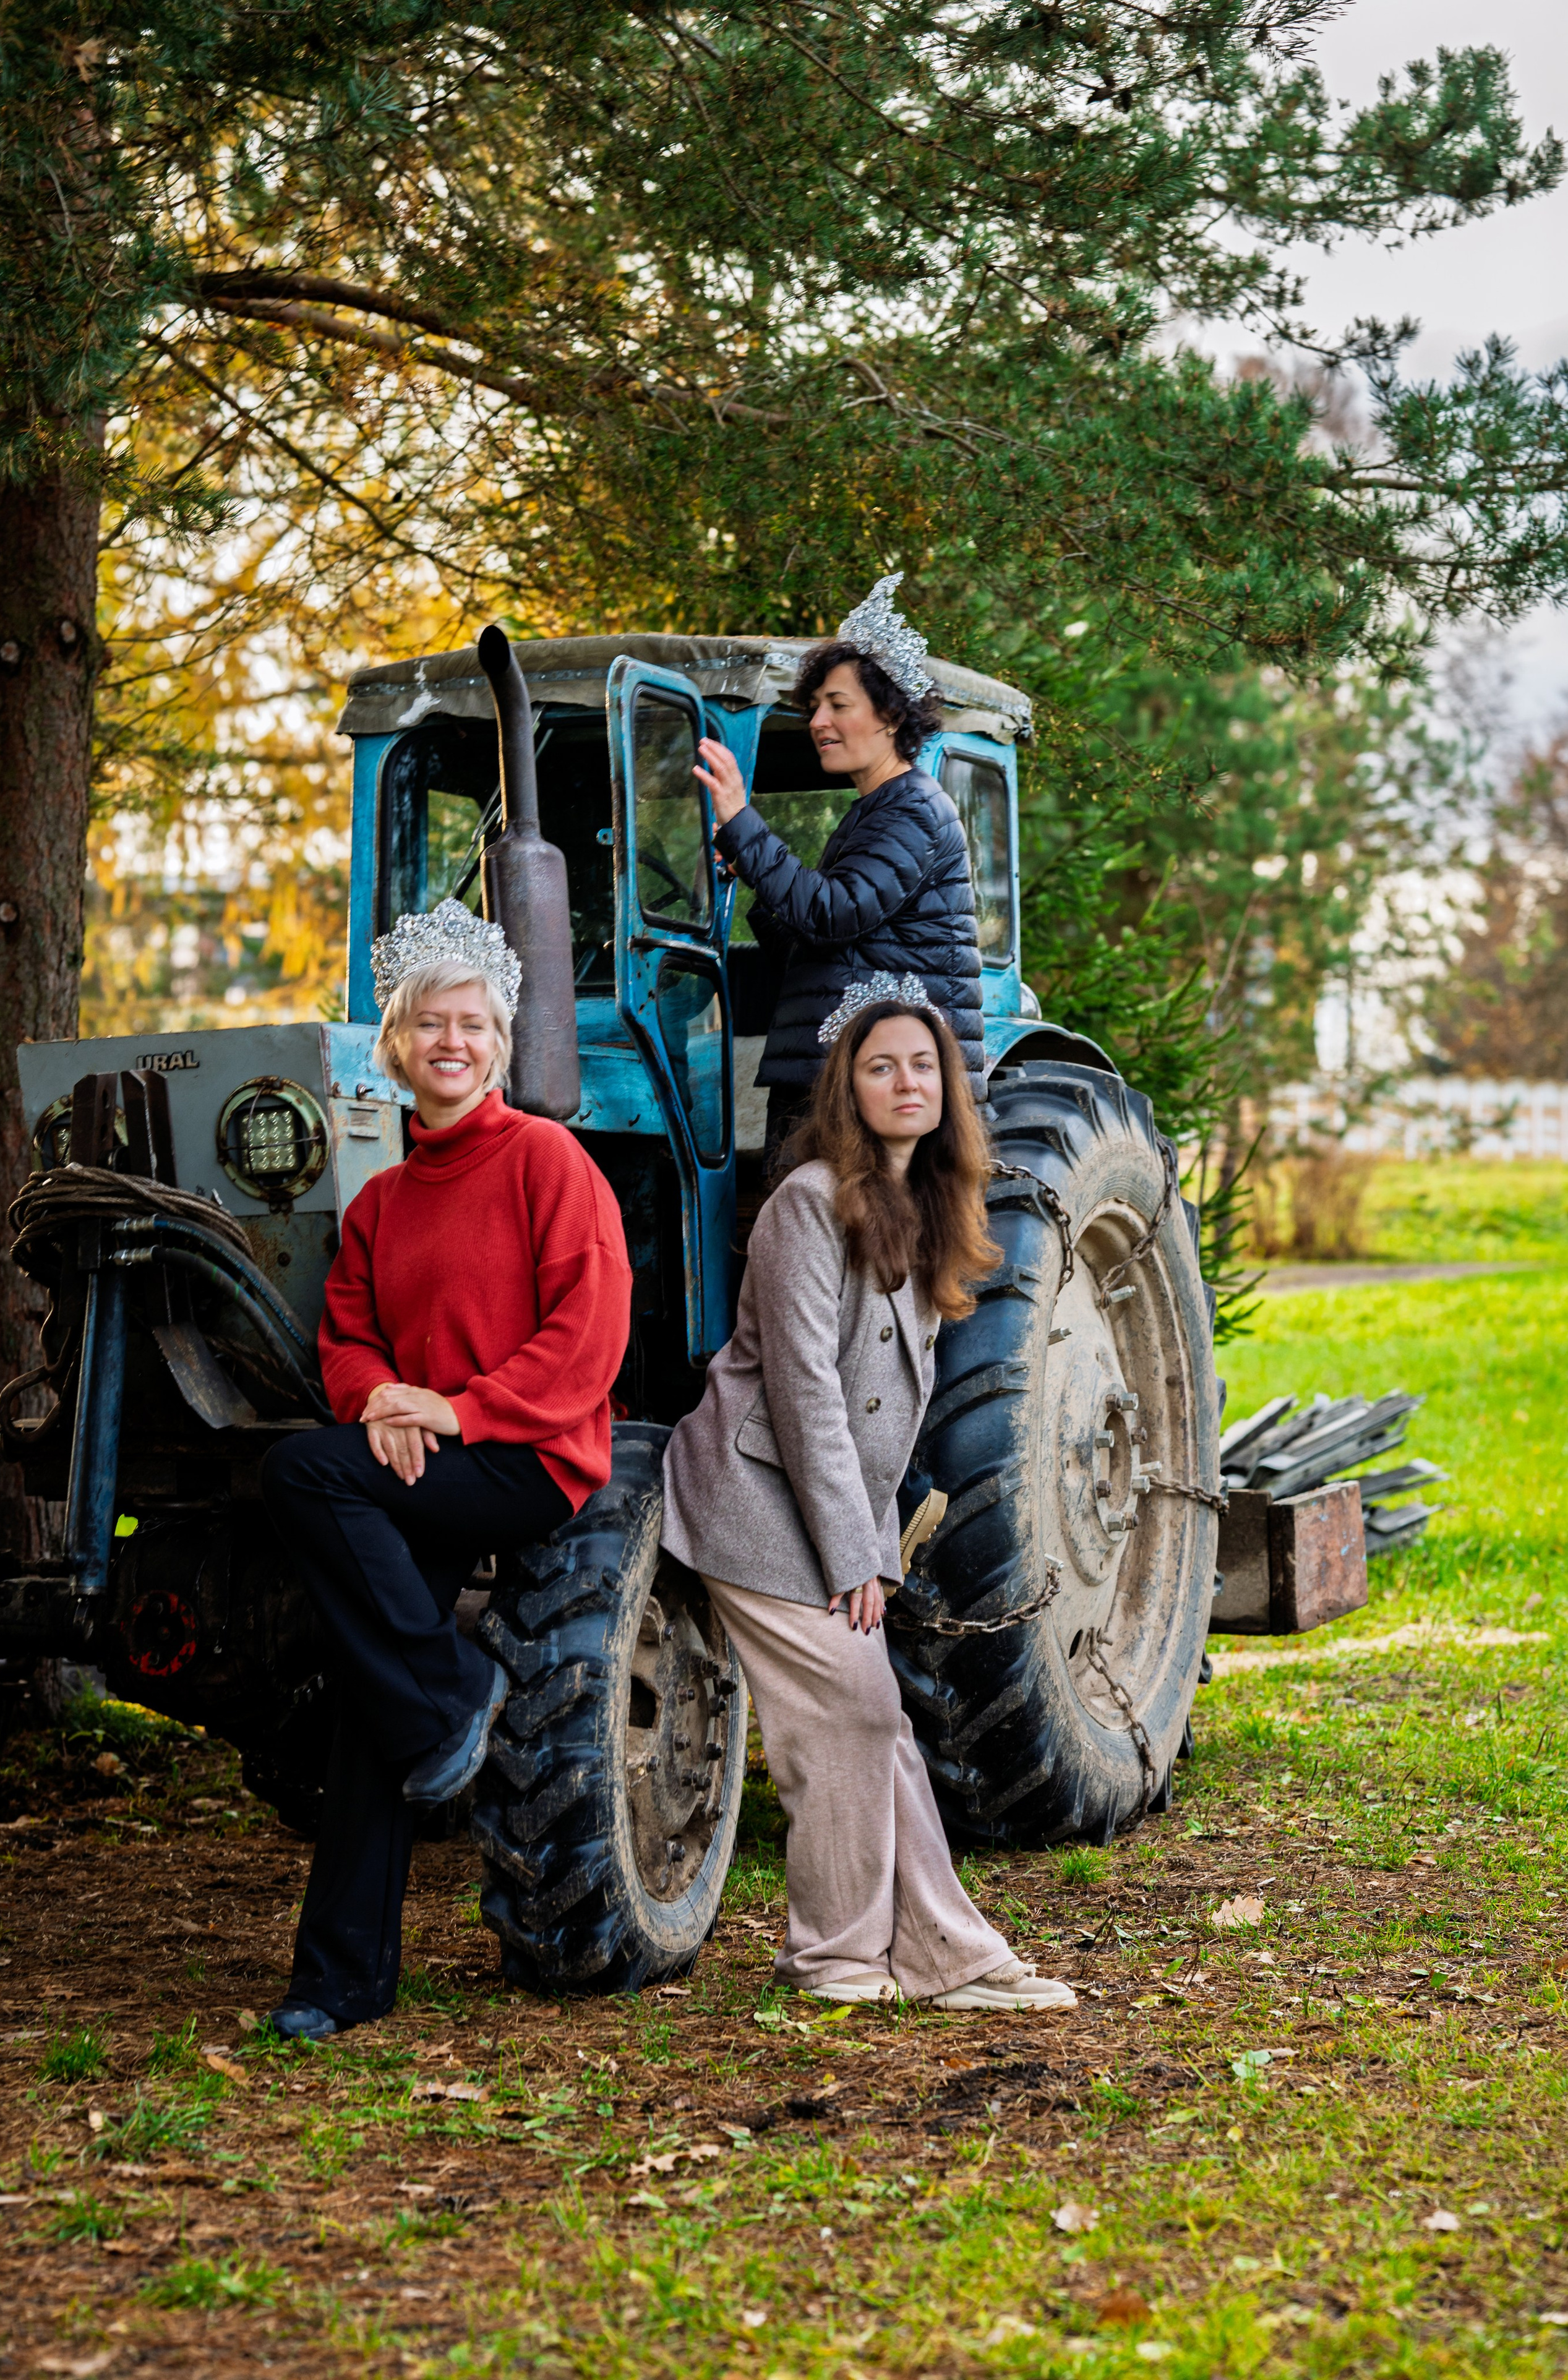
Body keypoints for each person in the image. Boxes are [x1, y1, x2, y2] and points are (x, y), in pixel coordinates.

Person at [661, 978, 1075, 2013]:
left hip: (825, 1511)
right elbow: (803, 1388)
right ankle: (834, 1955)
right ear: (848, 1087)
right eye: (881, 1065)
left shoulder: (925, 1208)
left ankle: (946, 1951)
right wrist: (858, 1553)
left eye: (922, 1065)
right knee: (851, 1705)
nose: (905, 1081)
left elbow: (884, 1415)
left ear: (946, 1088)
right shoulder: (810, 1202)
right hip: (751, 1497)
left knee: (877, 1715)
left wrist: (872, 1543)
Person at [259, 899, 632, 2042]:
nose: (451, 1042)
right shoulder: (378, 1201)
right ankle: (340, 1979)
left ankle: (454, 1695)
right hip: (414, 1463)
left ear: (499, 1041)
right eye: (430, 1024)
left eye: (471, 1023)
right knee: (384, 1686)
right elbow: (348, 1329)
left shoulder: (548, 1160)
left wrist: (458, 1409)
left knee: (300, 1477)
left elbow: (589, 1331)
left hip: (527, 1458)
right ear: (398, 1044)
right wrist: (378, 1396)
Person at [692, 573, 983, 1178]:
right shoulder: (876, 811)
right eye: (815, 706)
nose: (818, 721)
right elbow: (816, 941)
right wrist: (747, 862)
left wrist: (742, 824)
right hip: (831, 1071)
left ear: (890, 715)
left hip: (863, 1083)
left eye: (838, 705)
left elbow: (831, 912)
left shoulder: (914, 811)